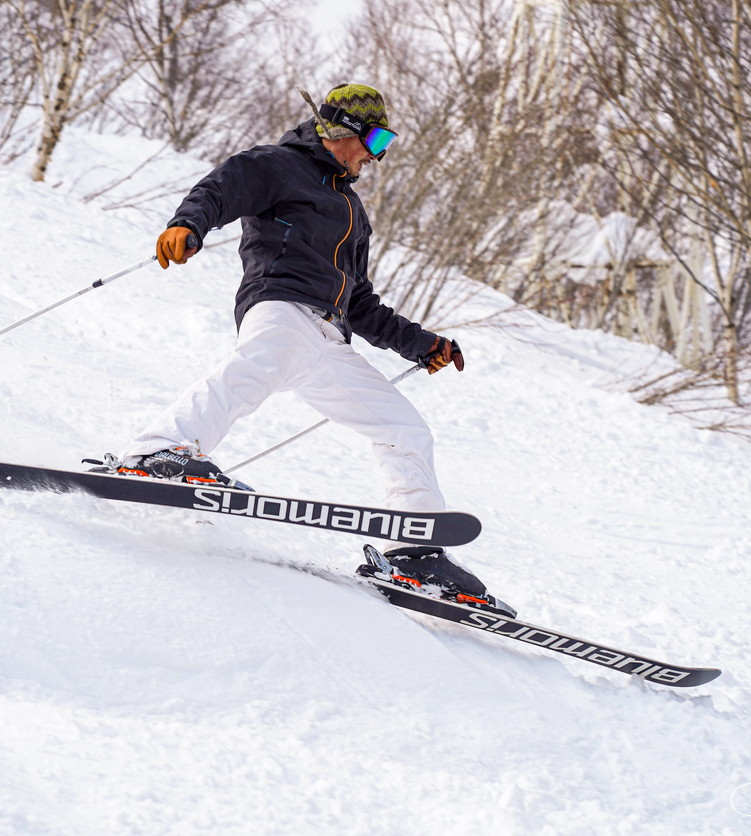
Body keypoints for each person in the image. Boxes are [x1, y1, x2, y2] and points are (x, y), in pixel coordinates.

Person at [95, 83, 499, 605]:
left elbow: (361, 303)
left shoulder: (351, 210)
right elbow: (222, 187)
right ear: (343, 131)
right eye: (377, 139)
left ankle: (414, 550)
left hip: (329, 337)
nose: (378, 155)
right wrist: (187, 224)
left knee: (404, 428)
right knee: (260, 364)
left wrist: (422, 344)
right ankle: (156, 450)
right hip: (280, 305)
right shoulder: (278, 165)